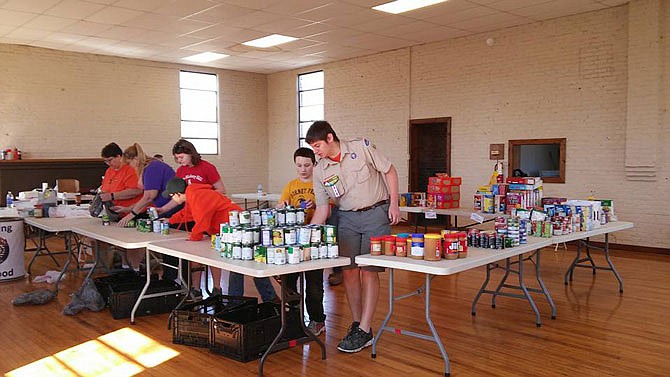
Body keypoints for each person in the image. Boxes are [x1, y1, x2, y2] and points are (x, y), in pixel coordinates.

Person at [306, 121, 400, 353]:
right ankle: (359, 326)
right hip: (346, 218)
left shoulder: (361, 147)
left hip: (375, 213)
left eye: (317, 145)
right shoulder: (320, 170)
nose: (315, 151)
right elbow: (322, 208)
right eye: (312, 147)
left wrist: (395, 204)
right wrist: (306, 236)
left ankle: (366, 326)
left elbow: (390, 170)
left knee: (369, 270)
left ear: (330, 138)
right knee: (348, 272)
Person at [157, 139, 227, 294]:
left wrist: (204, 198)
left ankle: (217, 287)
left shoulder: (207, 167)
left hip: (211, 215)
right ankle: (196, 288)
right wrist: (163, 210)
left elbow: (221, 190)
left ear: (190, 153)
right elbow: (178, 196)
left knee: (214, 253)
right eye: (177, 158)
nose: (179, 161)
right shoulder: (181, 171)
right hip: (194, 214)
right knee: (196, 253)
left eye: (181, 157)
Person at [163, 177, 241, 296]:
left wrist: (193, 238)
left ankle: (216, 289)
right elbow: (187, 213)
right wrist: (170, 220)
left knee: (213, 257)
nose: (171, 199)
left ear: (178, 194)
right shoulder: (192, 194)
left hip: (230, 225)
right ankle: (199, 289)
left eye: (171, 196)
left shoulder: (197, 196)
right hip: (219, 228)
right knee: (204, 255)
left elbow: (202, 221)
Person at [278, 147, 326, 335]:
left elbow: (330, 206)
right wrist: (285, 207)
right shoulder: (291, 185)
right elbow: (281, 205)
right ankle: (293, 316)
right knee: (289, 281)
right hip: (294, 239)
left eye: (307, 165)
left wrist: (319, 205)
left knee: (314, 283)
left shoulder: (320, 183)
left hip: (315, 240)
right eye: (299, 165)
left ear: (314, 164)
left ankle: (317, 319)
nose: (303, 169)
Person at [113, 143, 176, 270]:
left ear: (135, 159)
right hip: (164, 208)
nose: (130, 167)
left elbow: (149, 196)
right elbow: (146, 196)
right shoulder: (149, 167)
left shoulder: (153, 168)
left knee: (172, 249)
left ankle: (172, 278)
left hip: (172, 209)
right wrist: (129, 208)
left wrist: (131, 215)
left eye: (130, 163)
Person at [98, 142, 142, 209]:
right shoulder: (109, 171)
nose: (108, 163)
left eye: (110, 160)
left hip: (130, 210)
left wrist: (112, 196)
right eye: (105, 161)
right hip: (113, 210)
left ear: (119, 156)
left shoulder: (130, 169)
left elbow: (135, 191)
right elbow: (105, 189)